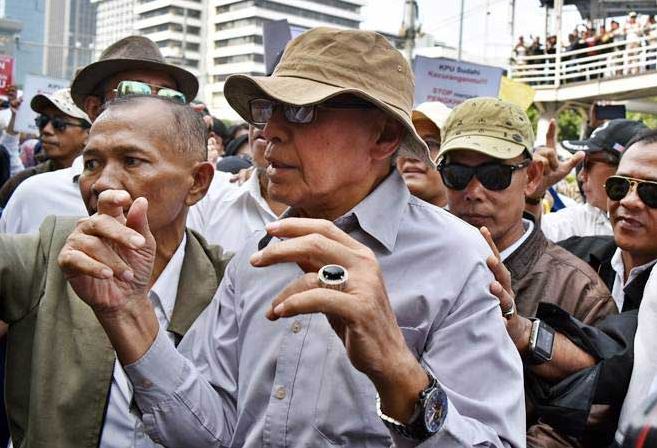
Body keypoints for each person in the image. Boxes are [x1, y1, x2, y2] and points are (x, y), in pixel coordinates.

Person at [60, 27, 525, 447]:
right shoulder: (257, 256)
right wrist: (128, 313)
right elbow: (210, 429)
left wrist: (400, 374)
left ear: (383, 136)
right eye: (269, 110)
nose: (269, 133)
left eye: (302, 111)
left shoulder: (458, 258)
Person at [0, 95, 226, 448]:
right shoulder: (54, 249)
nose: (101, 183)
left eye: (131, 161)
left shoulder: (228, 284)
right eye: (91, 163)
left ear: (197, 181)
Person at [492, 128, 657, 446]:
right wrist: (532, 193)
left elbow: (616, 360)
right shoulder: (575, 258)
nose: (629, 201)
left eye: (652, 193)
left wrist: (525, 333)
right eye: (620, 186)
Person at [439, 97, 615, 325]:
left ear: (531, 177)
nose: (473, 192)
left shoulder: (580, 293)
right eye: (456, 174)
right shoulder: (414, 260)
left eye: (494, 175)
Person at [0, 35, 198, 234]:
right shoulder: (33, 197)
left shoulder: (192, 197)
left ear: (199, 182)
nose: (154, 109)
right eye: (133, 93)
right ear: (94, 108)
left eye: (168, 97)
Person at [530, 119, 647, 243]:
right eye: (581, 165)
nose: (581, 176)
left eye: (588, 164)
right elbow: (525, 240)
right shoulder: (579, 221)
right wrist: (532, 197)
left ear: (622, 167)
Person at [0, 88, 91, 208]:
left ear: (88, 134)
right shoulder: (22, 183)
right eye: (43, 121)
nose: (46, 130)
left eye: (59, 123)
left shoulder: (98, 187)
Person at [396, 101, 450, 208]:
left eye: (429, 144)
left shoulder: (472, 217)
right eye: (406, 143)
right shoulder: (369, 214)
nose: (411, 155)